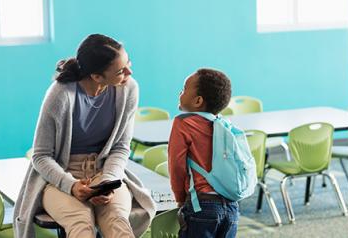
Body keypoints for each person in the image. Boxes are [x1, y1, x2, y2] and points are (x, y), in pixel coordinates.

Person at [13, 34, 156, 238]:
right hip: (59, 177)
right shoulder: (60, 95)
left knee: (118, 223)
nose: (129, 72)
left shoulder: (128, 89)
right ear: (97, 76)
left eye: (128, 63)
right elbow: (41, 156)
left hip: (104, 172)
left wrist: (107, 182)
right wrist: (71, 185)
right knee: (81, 224)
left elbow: (120, 147)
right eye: (120, 70)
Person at [168, 68, 238, 238]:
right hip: (231, 206)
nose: (180, 93)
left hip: (202, 205)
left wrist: (179, 197)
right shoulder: (224, 125)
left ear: (198, 101)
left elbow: (177, 166)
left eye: (184, 89)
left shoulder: (183, 123)